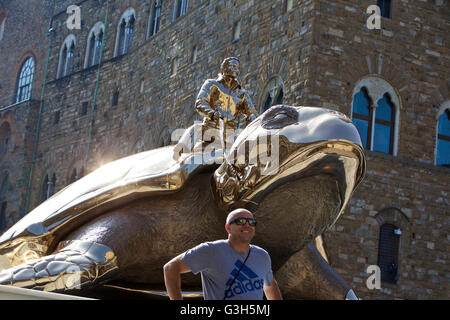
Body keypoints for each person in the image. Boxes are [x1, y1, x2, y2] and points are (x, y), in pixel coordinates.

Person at [163, 208, 282, 300]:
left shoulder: (262, 255)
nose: (247, 225)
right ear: (228, 228)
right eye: (240, 221)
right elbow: (170, 268)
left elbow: (270, 285)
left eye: (251, 222)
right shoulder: (210, 250)